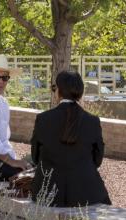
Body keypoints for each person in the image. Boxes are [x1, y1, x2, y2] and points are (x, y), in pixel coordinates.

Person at [30, 71, 111, 207]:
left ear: (59, 91)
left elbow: (35, 157)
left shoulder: (43, 119)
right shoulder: (92, 121)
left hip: (48, 193)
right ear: (80, 93)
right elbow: (97, 159)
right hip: (86, 193)